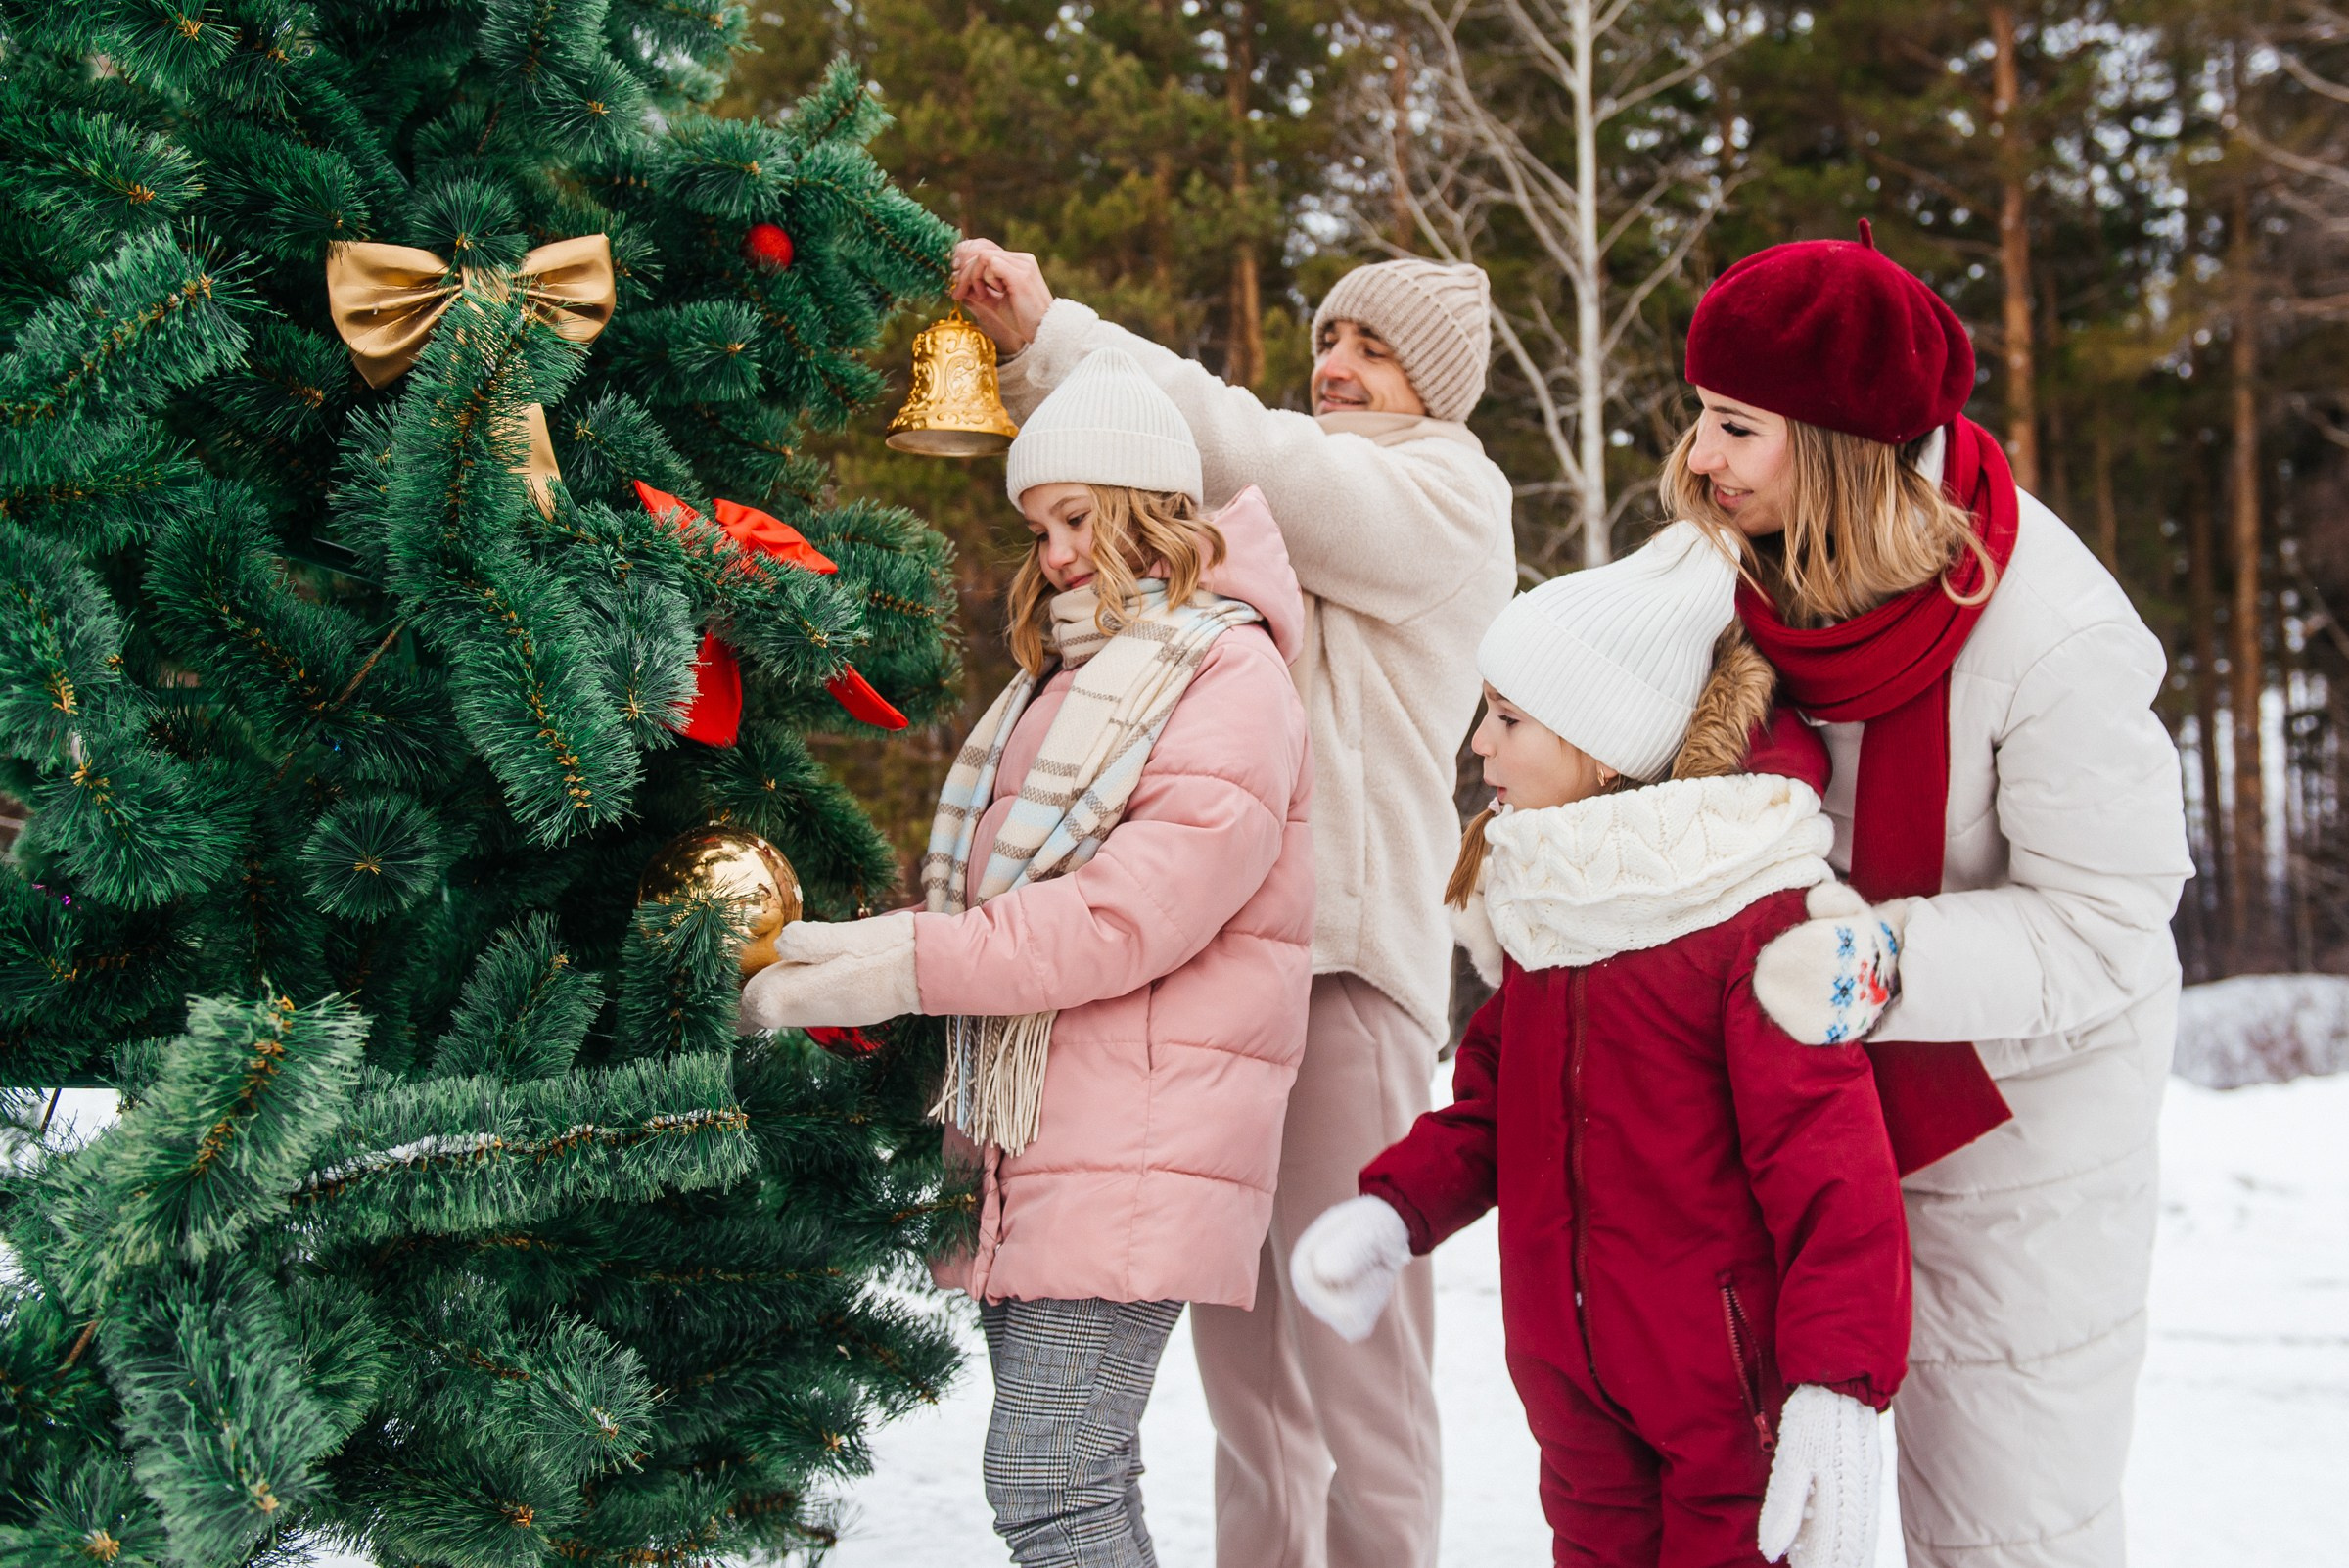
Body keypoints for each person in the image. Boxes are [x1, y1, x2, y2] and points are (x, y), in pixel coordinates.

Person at [949, 241, 1515, 1568]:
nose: (1335, 363)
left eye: (1372, 348)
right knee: (1251, 1389)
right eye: (1329, 337)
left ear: (1432, 382)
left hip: (1340, 978)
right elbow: (1159, 484)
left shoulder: (1446, 495)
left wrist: (1057, 335)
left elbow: (1233, 448)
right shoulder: (1276, 520)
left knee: (1358, 1370)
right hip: (1219, 983)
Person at [1665, 225, 2193, 1568]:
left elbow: (2107, 921)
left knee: (2011, 1525)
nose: (1699, 460)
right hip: (1801, 1117)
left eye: (1733, 425)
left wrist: (1877, 964)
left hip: (2020, 1130)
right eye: (1700, 419)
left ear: (1839, 445)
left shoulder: (2054, 634)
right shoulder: (1737, 578)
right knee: (1767, 1515)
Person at [738, 347, 1314, 1568]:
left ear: (1149, 505)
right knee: (1075, 1481)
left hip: (1141, 1134)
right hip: (1043, 1129)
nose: (1053, 553)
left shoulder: (1228, 670)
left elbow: (1120, 919)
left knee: (1051, 1483)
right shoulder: (1066, 679)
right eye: (1039, 527)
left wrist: (905, 965)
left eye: (1074, 518)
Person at [1289, 522, 1912, 1568]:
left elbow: (1831, 1165)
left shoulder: (1745, 922)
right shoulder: (1548, 918)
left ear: (1601, 743)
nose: (1478, 745)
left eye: (1507, 720)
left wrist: (1840, 1387)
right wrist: (1390, 1211)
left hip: (1726, 1403)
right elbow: (1494, 1111)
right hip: (1578, 1409)